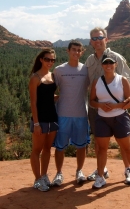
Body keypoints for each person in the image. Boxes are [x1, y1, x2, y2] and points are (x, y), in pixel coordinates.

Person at [85, 27, 130, 185]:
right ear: (90, 42)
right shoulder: (89, 60)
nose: (97, 41)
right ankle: (102, 170)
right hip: (97, 106)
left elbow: (129, 79)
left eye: (100, 37)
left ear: (106, 39)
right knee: (99, 141)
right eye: (94, 39)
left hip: (118, 107)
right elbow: (86, 83)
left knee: (122, 141)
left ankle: (128, 169)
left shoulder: (116, 58)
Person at [89, 55, 130, 189]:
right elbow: (91, 101)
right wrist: (101, 106)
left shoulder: (122, 80)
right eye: (105, 63)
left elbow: (129, 101)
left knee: (127, 148)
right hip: (102, 118)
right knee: (102, 149)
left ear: (116, 64)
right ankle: (100, 177)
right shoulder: (97, 81)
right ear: (102, 65)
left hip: (120, 118)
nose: (108, 65)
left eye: (111, 63)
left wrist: (114, 106)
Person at [51, 40, 90, 186]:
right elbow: (51, 90)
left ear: (82, 52)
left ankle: (79, 171)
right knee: (60, 146)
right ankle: (59, 173)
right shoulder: (59, 70)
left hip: (81, 113)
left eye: (79, 50)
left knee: (81, 146)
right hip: (62, 114)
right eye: (74, 50)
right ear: (67, 51)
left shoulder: (86, 70)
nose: (76, 53)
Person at [29, 49, 59, 192]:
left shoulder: (52, 75)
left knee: (47, 149)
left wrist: (60, 97)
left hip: (52, 118)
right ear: (41, 59)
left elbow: (48, 98)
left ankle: (44, 175)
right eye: (47, 59)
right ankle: (37, 179)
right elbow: (33, 102)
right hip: (39, 120)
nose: (50, 62)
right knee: (37, 150)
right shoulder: (35, 77)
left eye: (52, 60)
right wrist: (36, 123)